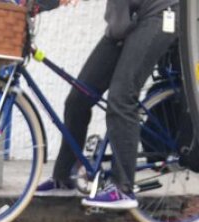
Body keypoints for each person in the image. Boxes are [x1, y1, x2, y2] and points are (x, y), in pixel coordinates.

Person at [36, 0, 179, 209]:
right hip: (127, 17)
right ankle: (64, 176)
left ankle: (123, 188)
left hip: (159, 13)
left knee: (121, 97)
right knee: (77, 100)